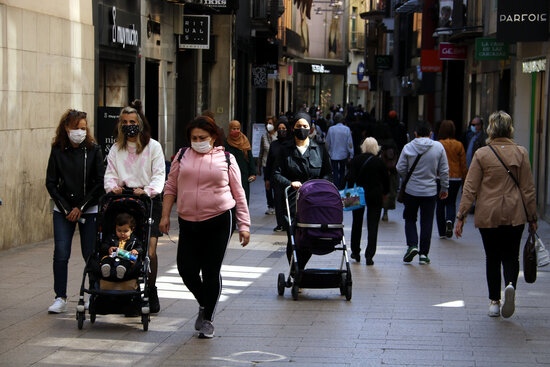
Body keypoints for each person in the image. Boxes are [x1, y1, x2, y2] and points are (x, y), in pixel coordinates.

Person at [159, 116, 250, 339]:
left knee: (211, 270)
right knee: (186, 270)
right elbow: (171, 186)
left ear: (213, 138)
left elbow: (239, 193)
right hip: (188, 221)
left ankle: (207, 318)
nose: (198, 141)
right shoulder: (182, 156)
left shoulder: (226, 158)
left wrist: (244, 225)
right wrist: (165, 215)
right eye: (194, 138)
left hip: (219, 219)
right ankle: (205, 301)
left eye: (203, 138)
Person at [455, 111, 537, 318]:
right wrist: (533, 218)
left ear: (490, 129)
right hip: (514, 212)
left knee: (492, 257)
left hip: (488, 213)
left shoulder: (482, 154)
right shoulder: (521, 153)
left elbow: (470, 188)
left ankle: (494, 301)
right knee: (511, 255)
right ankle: (510, 285)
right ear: (510, 129)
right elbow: (528, 189)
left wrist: (461, 216)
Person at [104, 101, 165, 313]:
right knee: (124, 243)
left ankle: (151, 288)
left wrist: (148, 190)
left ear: (139, 123)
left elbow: (159, 174)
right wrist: (113, 187)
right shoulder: (115, 148)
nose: (128, 125)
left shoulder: (153, 147)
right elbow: (110, 173)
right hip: (124, 200)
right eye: (124, 122)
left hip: (148, 199)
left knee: (150, 248)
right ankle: (125, 285)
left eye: (132, 121)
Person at [46, 109, 104, 313]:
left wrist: (82, 207)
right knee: (61, 252)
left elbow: (99, 182)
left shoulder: (94, 150)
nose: (80, 132)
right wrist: (66, 208)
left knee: (90, 252)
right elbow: (51, 183)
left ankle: (93, 293)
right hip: (63, 208)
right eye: (76, 128)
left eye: (83, 128)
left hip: (88, 208)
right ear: (66, 128)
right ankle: (60, 296)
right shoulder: (57, 150)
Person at [272, 112, 333, 270]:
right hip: (292, 201)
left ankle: (300, 268)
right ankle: (295, 270)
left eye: (305, 126)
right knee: (293, 237)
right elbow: (276, 174)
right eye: (298, 126)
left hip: (313, 201)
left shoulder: (319, 149)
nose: (302, 129)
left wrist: (320, 186)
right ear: (293, 128)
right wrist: (290, 183)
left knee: (308, 237)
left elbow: (327, 173)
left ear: (310, 128)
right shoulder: (285, 150)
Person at [397, 121, 449, 265]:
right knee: (427, 222)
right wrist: (444, 188)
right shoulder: (438, 147)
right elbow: (444, 170)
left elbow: (400, 167)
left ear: (415, 133)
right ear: (430, 133)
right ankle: (423, 254)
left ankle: (412, 245)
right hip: (430, 191)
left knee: (410, 218)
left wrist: (407, 177)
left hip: (411, 190)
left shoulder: (408, 147)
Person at [347, 138, 389, 265]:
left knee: (357, 223)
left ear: (363, 147)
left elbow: (351, 178)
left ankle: (355, 251)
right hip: (375, 195)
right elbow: (386, 180)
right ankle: (369, 255)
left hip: (358, 194)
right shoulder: (379, 162)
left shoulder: (356, 160)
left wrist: (349, 192)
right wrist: (385, 193)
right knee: (373, 225)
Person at [436, 120, 467, 238]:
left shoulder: (438, 144)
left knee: (440, 203)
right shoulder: (459, 145)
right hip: (455, 177)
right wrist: (465, 178)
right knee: (451, 202)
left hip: (440, 176)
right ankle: (450, 220)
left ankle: (442, 231)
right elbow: (463, 164)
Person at [265, 117, 291, 232]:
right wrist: (267, 179)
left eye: (284, 128)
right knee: (278, 201)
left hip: (289, 177)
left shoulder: (291, 144)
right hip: (276, 177)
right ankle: (280, 224)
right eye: (279, 128)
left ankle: (288, 223)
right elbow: (269, 162)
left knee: (288, 202)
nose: (282, 131)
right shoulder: (274, 145)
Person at [100, 213, 144, 280]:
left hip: (126, 258)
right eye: (119, 231)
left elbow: (141, 247)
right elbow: (103, 245)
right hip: (112, 256)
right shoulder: (111, 237)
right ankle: (106, 268)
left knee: (127, 262)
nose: (122, 233)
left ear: (132, 230)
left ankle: (121, 270)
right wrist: (109, 248)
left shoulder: (134, 240)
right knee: (106, 259)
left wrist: (136, 250)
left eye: (125, 231)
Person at [225, 120, 256, 204]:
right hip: (230, 174)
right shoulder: (226, 142)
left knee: (244, 197)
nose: (236, 131)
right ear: (230, 129)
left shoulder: (244, 141)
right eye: (233, 128)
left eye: (238, 128)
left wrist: (253, 173)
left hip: (243, 174)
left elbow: (250, 157)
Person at [325, 112, 354, 189]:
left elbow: (327, 143)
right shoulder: (347, 129)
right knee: (342, 172)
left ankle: (336, 187)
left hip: (333, 154)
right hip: (343, 155)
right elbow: (350, 143)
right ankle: (341, 187)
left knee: (334, 172)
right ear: (342, 120)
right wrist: (351, 154)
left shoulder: (331, 129)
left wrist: (326, 152)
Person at [257, 116, 278, 215]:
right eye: (267, 123)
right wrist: (259, 166)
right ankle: (270, 206)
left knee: (276, 186)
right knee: (268, 186)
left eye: (271, 123)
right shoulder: (264, 136)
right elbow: (261, 152)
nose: (269, 125)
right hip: (266, 164)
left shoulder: (278, 135)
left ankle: (278, 205)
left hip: (276, 164)